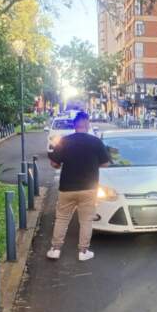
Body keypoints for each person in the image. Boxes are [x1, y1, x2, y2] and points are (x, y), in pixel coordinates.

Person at [46, 112, 111, 262]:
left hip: (67, 187)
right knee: (86, 220)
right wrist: (92, 163)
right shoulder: (95, 142)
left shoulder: (64, 141)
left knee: (62, 218)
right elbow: (106, 163)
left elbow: (54, 163)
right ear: (87, 124)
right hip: (89, 187)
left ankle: (55, 249)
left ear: (74, 125)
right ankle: (83, 251)